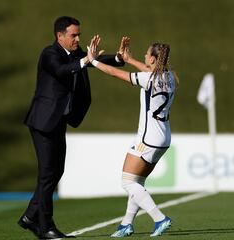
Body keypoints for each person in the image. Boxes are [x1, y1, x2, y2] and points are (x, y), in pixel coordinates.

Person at [18, 17, 125, 239]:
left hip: (57, 121)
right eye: (73, 35)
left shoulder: (75, 55)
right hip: (43, 122)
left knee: (57, 171)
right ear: (60, 36)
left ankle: (30, 216)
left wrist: (118, 57)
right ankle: (46, 226)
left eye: (79, 35)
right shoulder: (49, 54)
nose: (78, 39)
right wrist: (87, 59)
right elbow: (63, 70)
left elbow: (95, 59)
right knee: (48, 174)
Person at [87, 35, 179, 237]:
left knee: (128, 182)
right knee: (137, 182)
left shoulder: (149, 78)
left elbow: (115, 73)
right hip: (164, 138)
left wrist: (93, 61)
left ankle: (160, 218)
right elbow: (148, 71)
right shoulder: (170, 76)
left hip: (148, 139)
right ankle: (126, 224)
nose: (145, 56)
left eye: (147, 54)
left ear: (153, 59)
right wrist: (129, 59)